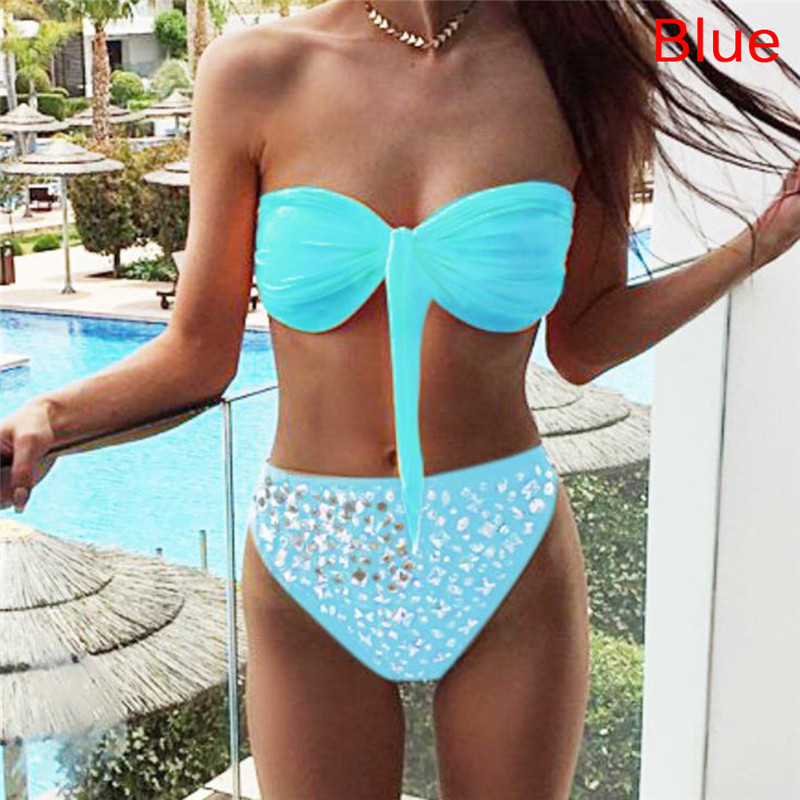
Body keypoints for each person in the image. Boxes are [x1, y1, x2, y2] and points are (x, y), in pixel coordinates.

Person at [1, 1, 799, 797]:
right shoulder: (254, 71)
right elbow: (197, 355)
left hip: (505, 541)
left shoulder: (581, 64)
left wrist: (763, 239)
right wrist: (49, 417)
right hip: (311, 549)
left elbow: (585, 341)